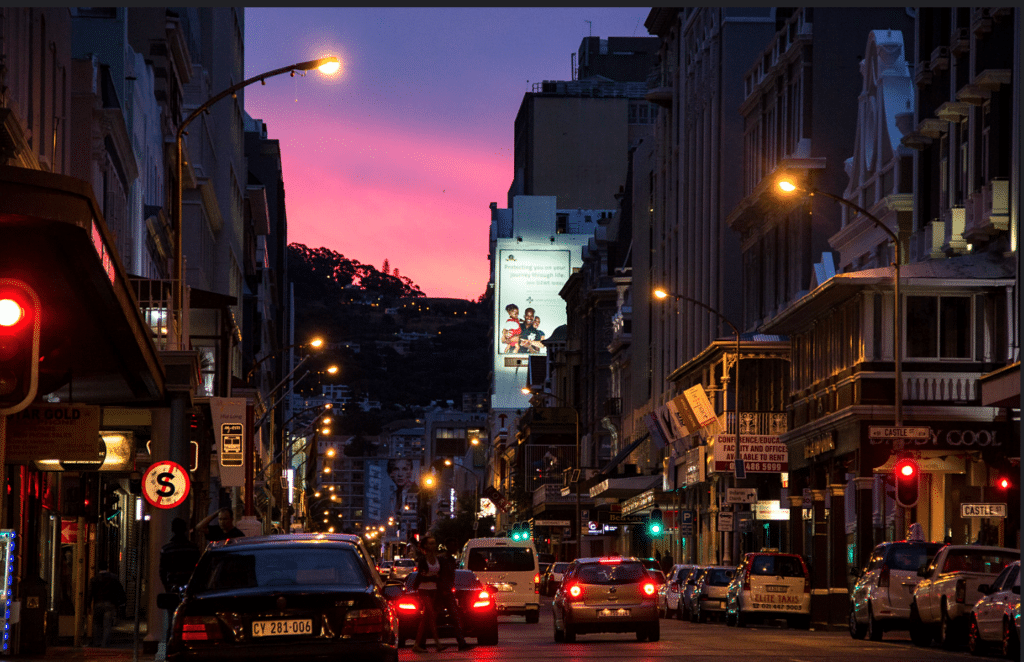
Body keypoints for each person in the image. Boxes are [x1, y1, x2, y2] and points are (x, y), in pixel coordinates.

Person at [437, 538, 472, 651]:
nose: (455, 548)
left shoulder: (452, 560)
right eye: (453, 545)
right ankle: (422, 642)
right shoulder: (441, 559)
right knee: (431, 618)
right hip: (440, 592)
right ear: (448, 546)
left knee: (456, 617)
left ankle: (461, 642)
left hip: (448, 592)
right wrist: (442, 588)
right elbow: (438, 575)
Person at [411, 536, 444, 653]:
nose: (433, 546)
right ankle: (437, 643)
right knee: (430, 615)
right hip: (423, 590)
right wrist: (433, 577)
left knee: (426, 618)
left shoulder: (437, 559)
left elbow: (438, 575)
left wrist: (435, 579)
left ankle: (416, 644)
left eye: (434, 543)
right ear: (425, 546)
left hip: (433, 590)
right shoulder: (422, 560)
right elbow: (422, 576)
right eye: (430, 543)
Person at [160, 517, 202, 592]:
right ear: (185, 529)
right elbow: (199, 568)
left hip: (173, 587)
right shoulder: (193, 548)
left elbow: (162, 571)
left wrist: (167, 587)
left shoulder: (166, 549)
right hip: (190, 587)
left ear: (172, 530)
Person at [89, 565, 126, 647]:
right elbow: (119, 590)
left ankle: (97, 642)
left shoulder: (94, 579)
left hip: (98, 603)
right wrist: (120, 603)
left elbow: (90, 593)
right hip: (110, 603)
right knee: (107, 625)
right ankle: (105, 644)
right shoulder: (114, 578)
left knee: (96, 624)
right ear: (107, 568)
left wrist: (88, 605)